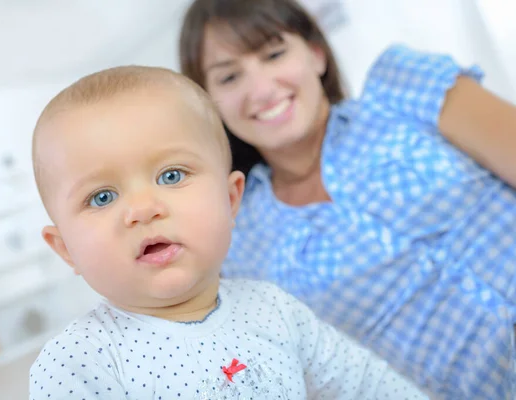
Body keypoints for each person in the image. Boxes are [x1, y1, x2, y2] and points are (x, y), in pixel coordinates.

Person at [179, 0, 516, 399]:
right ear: (208, 105)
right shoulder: (236, 243)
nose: (262, 90)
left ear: (316, 53)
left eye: (274, 54)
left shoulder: (402, 86)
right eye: (230, 77)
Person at [27, 65, 427, 399]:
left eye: (171, 175)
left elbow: (368, 385)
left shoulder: (274, 310)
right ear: (66, 250)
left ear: (231, 199)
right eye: (101, 197)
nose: (143, 210)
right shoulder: (78, 361)